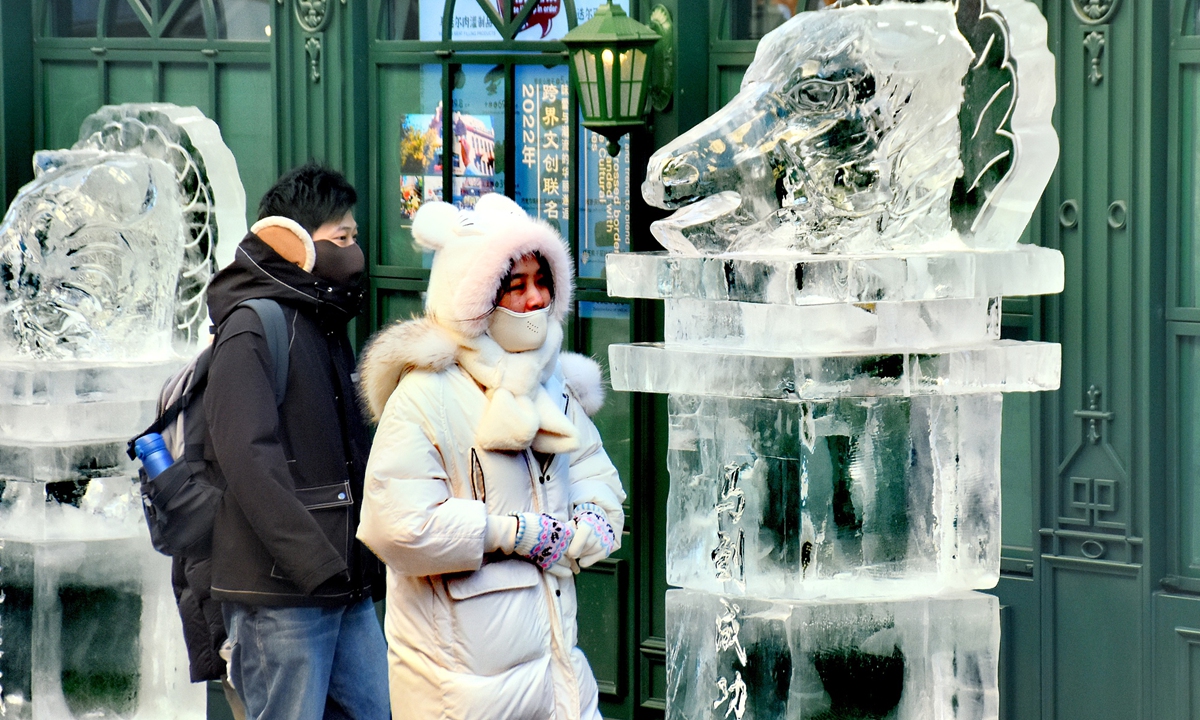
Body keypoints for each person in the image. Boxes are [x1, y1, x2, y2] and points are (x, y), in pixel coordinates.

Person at [356, 193, 625, 720]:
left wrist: (592, 518)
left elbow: (595, 471)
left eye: (542, 282)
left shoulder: (552, 384)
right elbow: (396, 525)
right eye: (514, 285)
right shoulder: (427, 392)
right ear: (472, 294)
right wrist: (513, 532)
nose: (534, 300)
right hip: (459, 691)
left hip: (556, 674)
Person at [203, 163, 389, 720]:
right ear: (293, 242)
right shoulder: (252, 326)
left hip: (342, 583)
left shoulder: (321, 322)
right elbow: (246, 457)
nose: (355, 250)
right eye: (343, 238)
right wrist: (312, 561)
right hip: (284, 593)